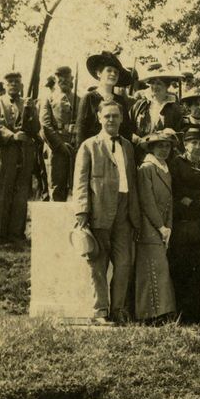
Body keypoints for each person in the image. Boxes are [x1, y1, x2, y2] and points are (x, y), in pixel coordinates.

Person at [72, 100, 140, 324]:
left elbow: (133, 181)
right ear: (100, 118)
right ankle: (100, 311)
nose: (111, 120)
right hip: (99, 210)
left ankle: (118, 310)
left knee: (123, 263)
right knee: (98, 263)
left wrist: (135, 215)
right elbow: (80, 181)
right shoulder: (89, 146)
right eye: (107, 116)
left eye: (115, 116)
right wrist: (82, 211)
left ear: (121, 119)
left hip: (124, 211)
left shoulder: (128, 147)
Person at [169, 126, 200, 324]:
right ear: (185, 144)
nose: (197, 147)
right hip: (183, 224)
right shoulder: (177, 163)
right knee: (182, 267)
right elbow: (173, 187)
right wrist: (195, 195)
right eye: (193, 143)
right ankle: (181, 314)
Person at [0, 71, 39, 245]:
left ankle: (16, 233)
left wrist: (32, 110)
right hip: (5, 152)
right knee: (2, 193)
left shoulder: (27, 103)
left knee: (21, 193)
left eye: (17, 82)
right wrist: (11, 135)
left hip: (24, 153)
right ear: (4, 85)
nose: (13, 85)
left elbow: (35, 129)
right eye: (10, 82)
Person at [135, 128, 177, 323]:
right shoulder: (147, 168)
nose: (164, 150)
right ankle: (149, 314)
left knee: (161, 268)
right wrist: (161, 227)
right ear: (151, 147)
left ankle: (161, 312)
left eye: (167, 146)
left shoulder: (164, 167)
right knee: (153, 269)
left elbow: (170, 200)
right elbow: (147, 201)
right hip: (149, 226)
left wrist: (168, 227)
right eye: (160, 146)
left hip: (162, 228)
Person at [76, 51, 134, 145]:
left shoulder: (120, 100)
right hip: (94, 150)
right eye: (109, 70)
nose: (113, 74)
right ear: (99, 73)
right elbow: (80, 132)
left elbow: (126, 131)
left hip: (117, 150)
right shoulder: (89, 98)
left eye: (116, 72)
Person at [40, 66, 77, 202]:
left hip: (75, 147)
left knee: (77, 187)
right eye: (60, 77)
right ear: (55, 79)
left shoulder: (79, 99)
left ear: (71, 78)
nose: (63, 79)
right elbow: (45, 126)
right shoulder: (49, 99)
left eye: (67, 76)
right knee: (56, 188)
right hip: (55, 149)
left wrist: (77, 130)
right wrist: (60, 145)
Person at [132, 65, 184, 140]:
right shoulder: (140, 105)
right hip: (140, 147)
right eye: (153, 83)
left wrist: (172, 134)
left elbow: (179, 132)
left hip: (163, 148)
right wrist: (134, 137)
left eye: (159, 83)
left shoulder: (174, 108)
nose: (155, 86)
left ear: (167, 86)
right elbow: (128, 127)